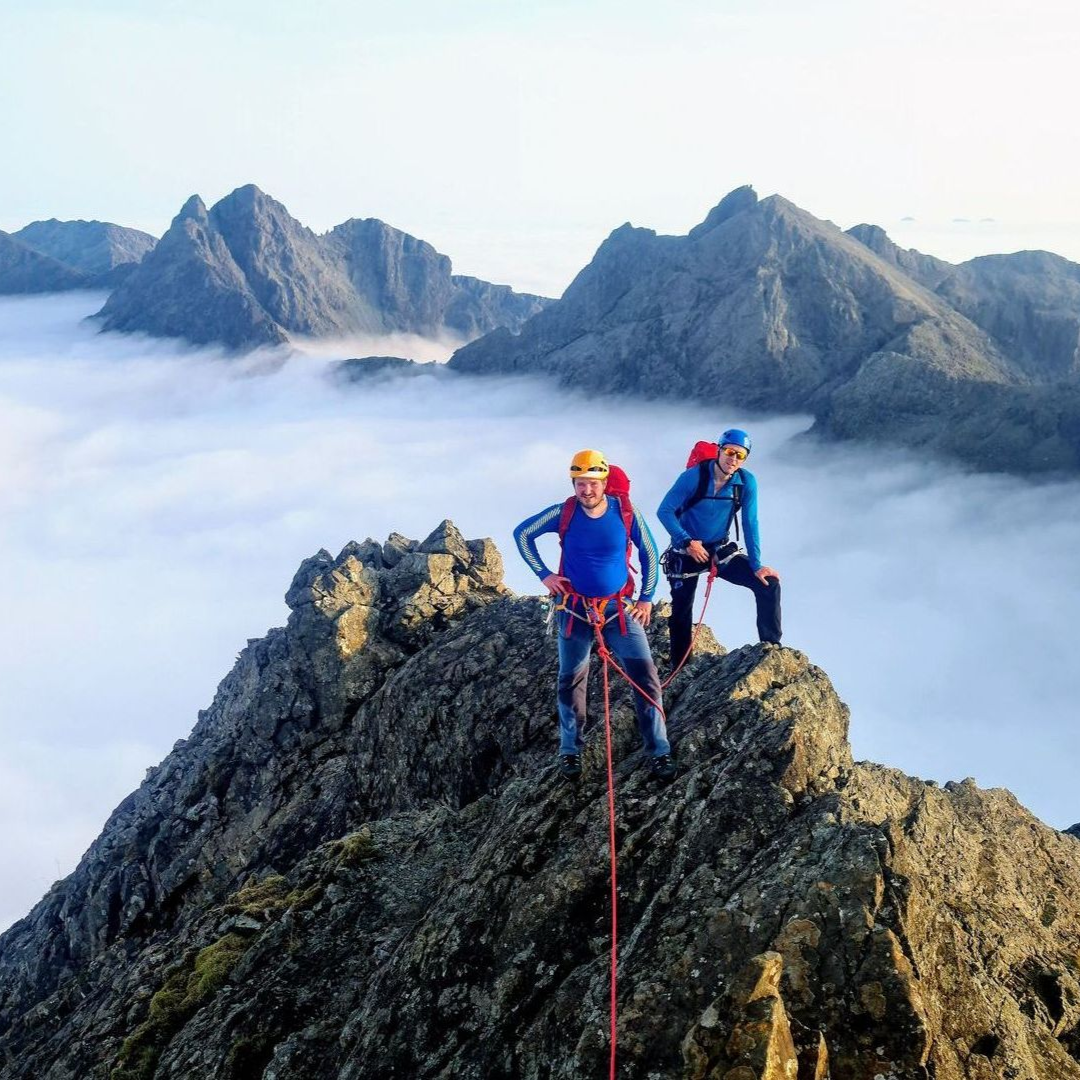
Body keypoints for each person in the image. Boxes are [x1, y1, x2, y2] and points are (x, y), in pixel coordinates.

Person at [514, 449, 675, 781]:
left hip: (618, 608)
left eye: (592, 483)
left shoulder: (626, 513)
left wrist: (646, 599)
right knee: (571, 680)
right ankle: (571, 750)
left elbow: (649, 553)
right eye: (580, 483)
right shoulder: (564, 513)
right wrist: (544, 575)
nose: (586, 490)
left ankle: (659, 750)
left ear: (604, 482)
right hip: (574, 608)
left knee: (646, 679)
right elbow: (522, 534)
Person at [657, 428, 781, 671]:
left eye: (740, 455)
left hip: (718, 550)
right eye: (729, 452)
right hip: (686, 551)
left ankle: (771, 649)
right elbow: (664, 511)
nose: (733, 459)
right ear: (719, 450)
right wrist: (686, 542)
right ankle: (680, 666)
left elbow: (750, 522)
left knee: (768, 585)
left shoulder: (745, 482)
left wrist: (756, 565)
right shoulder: (693, 477)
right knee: (682, 609)